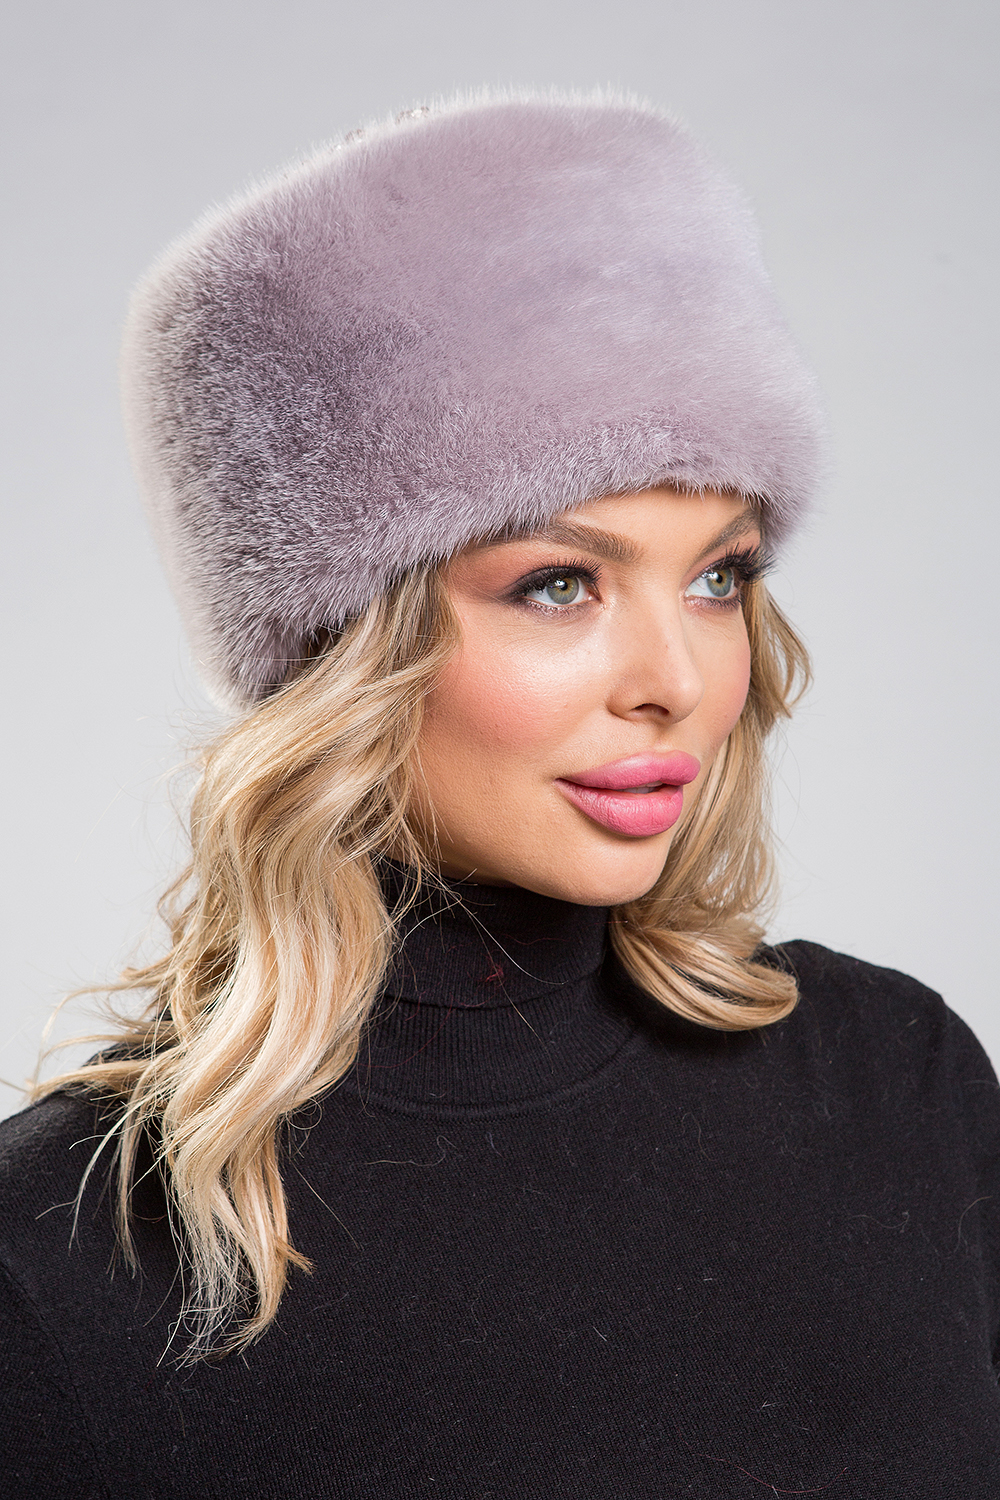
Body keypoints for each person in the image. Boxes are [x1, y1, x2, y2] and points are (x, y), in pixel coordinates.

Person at [1, 91, 998, 1498]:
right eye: (559, 584)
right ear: (341, 646)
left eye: (720, 576)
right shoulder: (61, 1256)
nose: (676, 680)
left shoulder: (897, 1086)